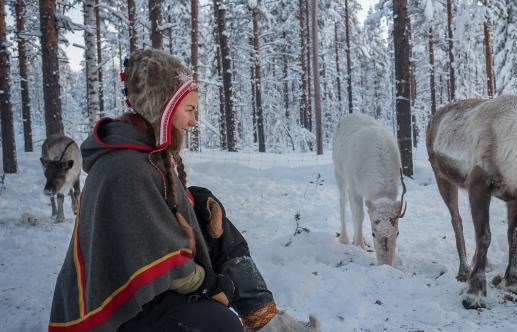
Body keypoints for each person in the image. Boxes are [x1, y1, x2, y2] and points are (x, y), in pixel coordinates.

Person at [49, 49, 318, 332]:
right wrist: (211, 287)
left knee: (216, 228)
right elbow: (156, 258)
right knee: (220, 324)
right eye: (189, 110)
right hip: (118, 310)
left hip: (144, 292)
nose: (193, 121)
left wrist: (194, 202)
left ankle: (267, 321)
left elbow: (157, 217)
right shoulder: (126, 168)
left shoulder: (144, 154)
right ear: (163, 110)